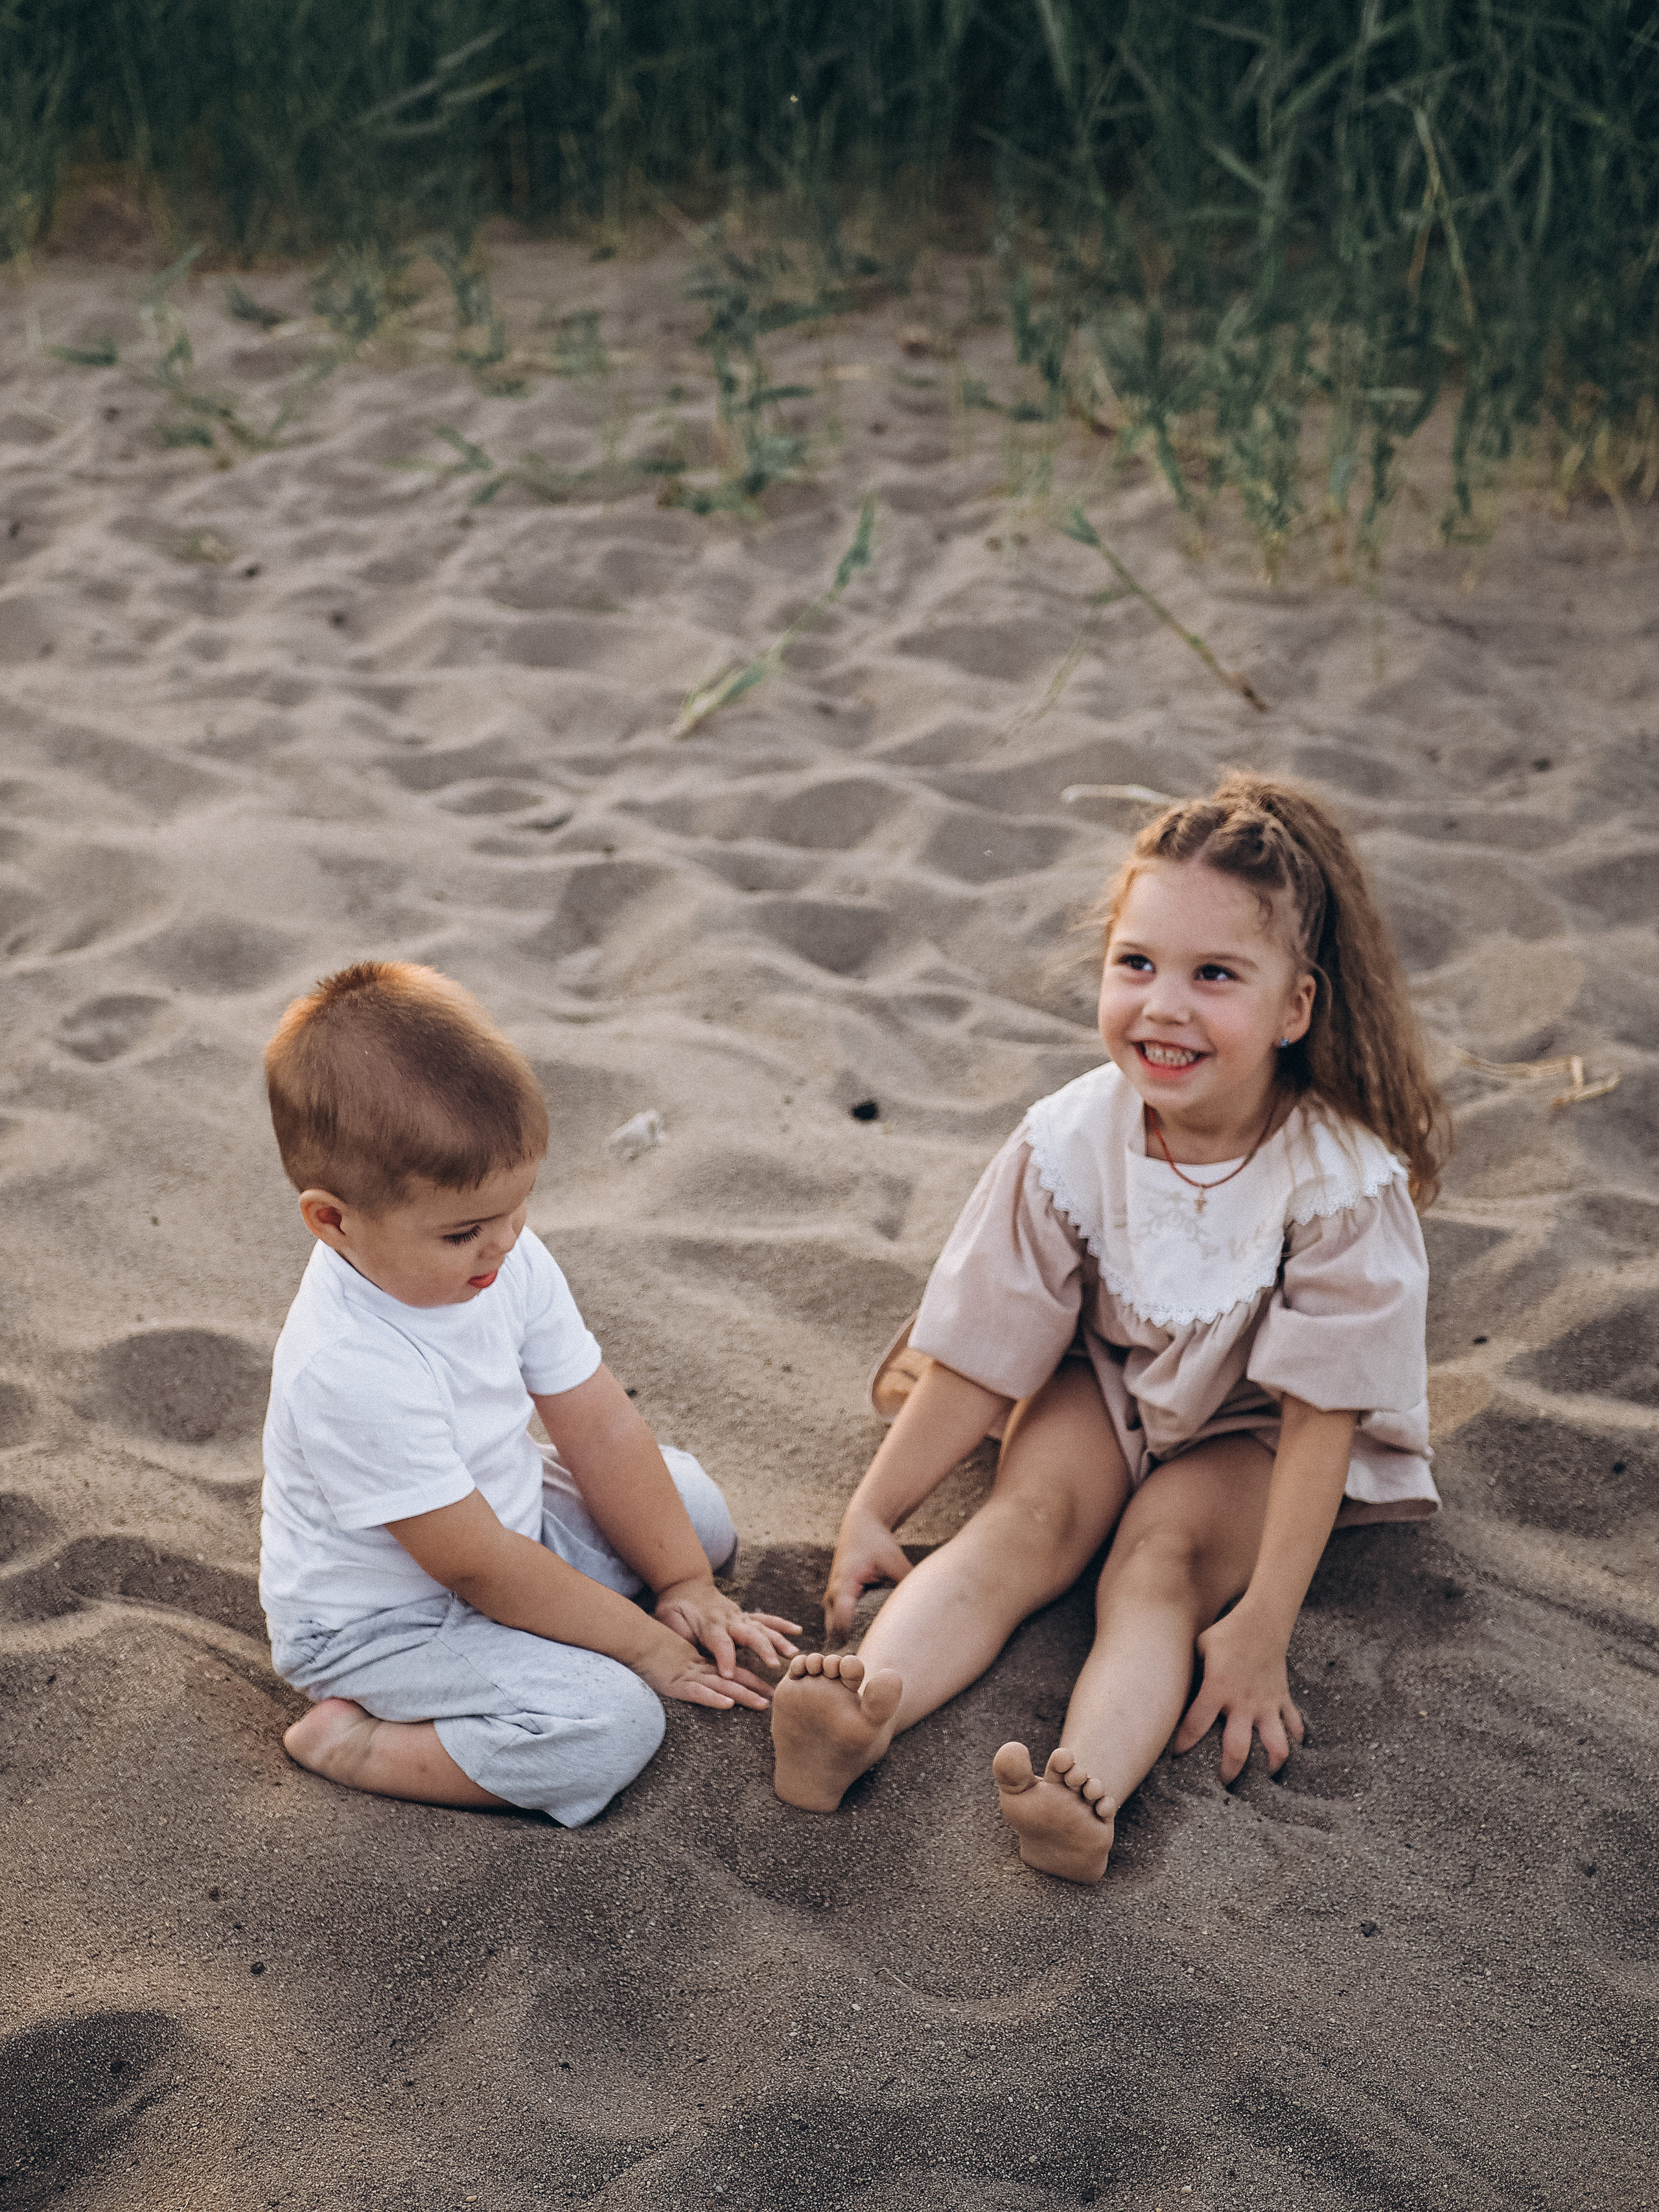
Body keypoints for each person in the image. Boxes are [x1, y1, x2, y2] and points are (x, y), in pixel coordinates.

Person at [770, 773, 1448, 1881]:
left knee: (1157, 1565)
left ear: (1296, 1007)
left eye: (1214, 975)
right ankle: (860, 1712)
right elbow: (985, 1351)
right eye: (1137, 964)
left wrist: (1264, 1624)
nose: (1164, 1005)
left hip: (1255, 1427)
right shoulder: (1072, 1138)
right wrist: (877, 1503)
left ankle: (1083, 1789)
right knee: (1020, 1520)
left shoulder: (1334, 1183)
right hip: (1105, 1375)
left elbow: (1325, 1411)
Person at [260, 960, 799, 1826]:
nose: (504, 1242)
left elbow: (596, 1421)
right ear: (333, 1219)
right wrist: (650, 1646)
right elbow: (476, 1564)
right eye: (464, 1230)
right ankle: (359, 1745)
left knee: (694, 1510)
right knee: (612, 1720)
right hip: (391, 1618)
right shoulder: (347, 1362)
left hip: (511, 1519)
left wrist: (687, 1581)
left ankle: (623, 1593)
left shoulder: (499, 1253)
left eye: (519, 1207)